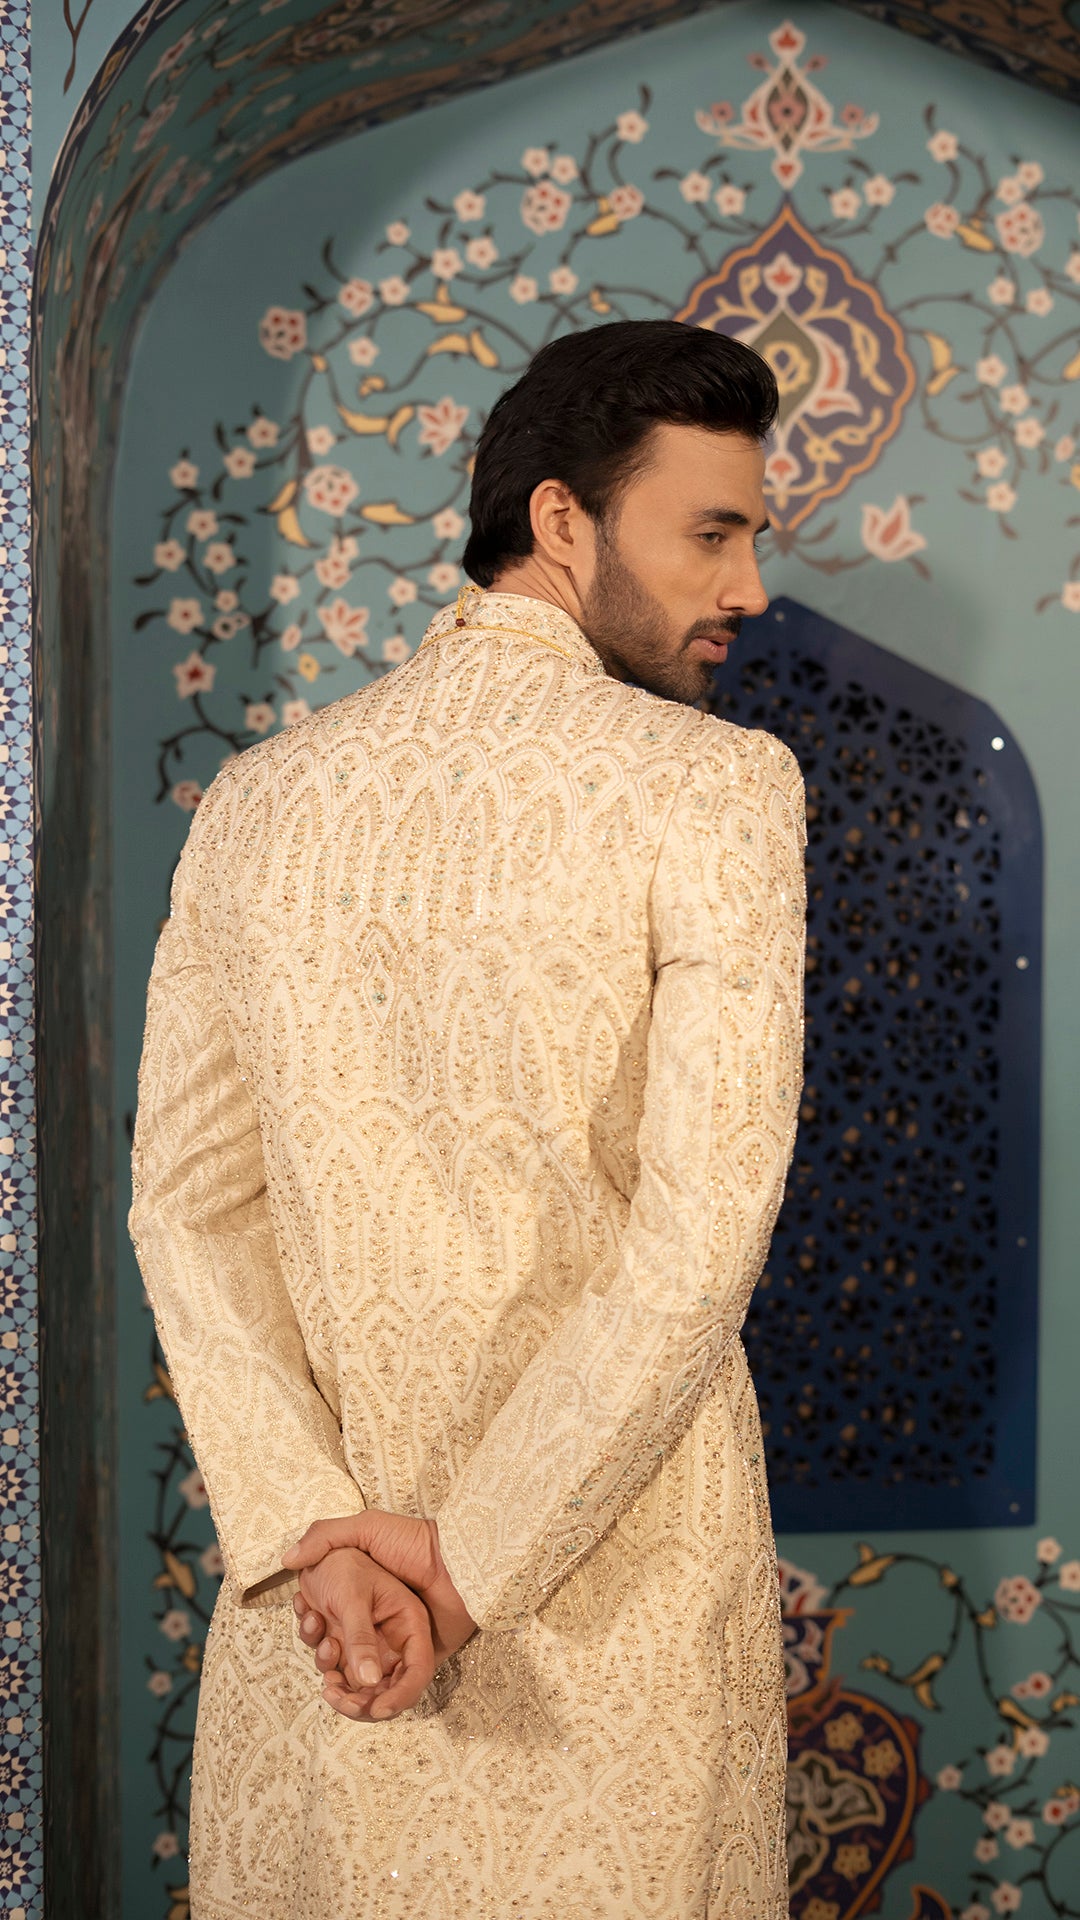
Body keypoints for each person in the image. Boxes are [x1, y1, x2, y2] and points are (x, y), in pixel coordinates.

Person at [129, 318, 807, 1920]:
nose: (750, 591)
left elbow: (185, 1208)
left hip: (331, 1624)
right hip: (611, 1614)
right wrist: (474, 1565)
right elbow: (696, 1243)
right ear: (563, 521)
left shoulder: (259, 799)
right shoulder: (716, 787)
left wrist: (324, 1537)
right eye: (712, 532)